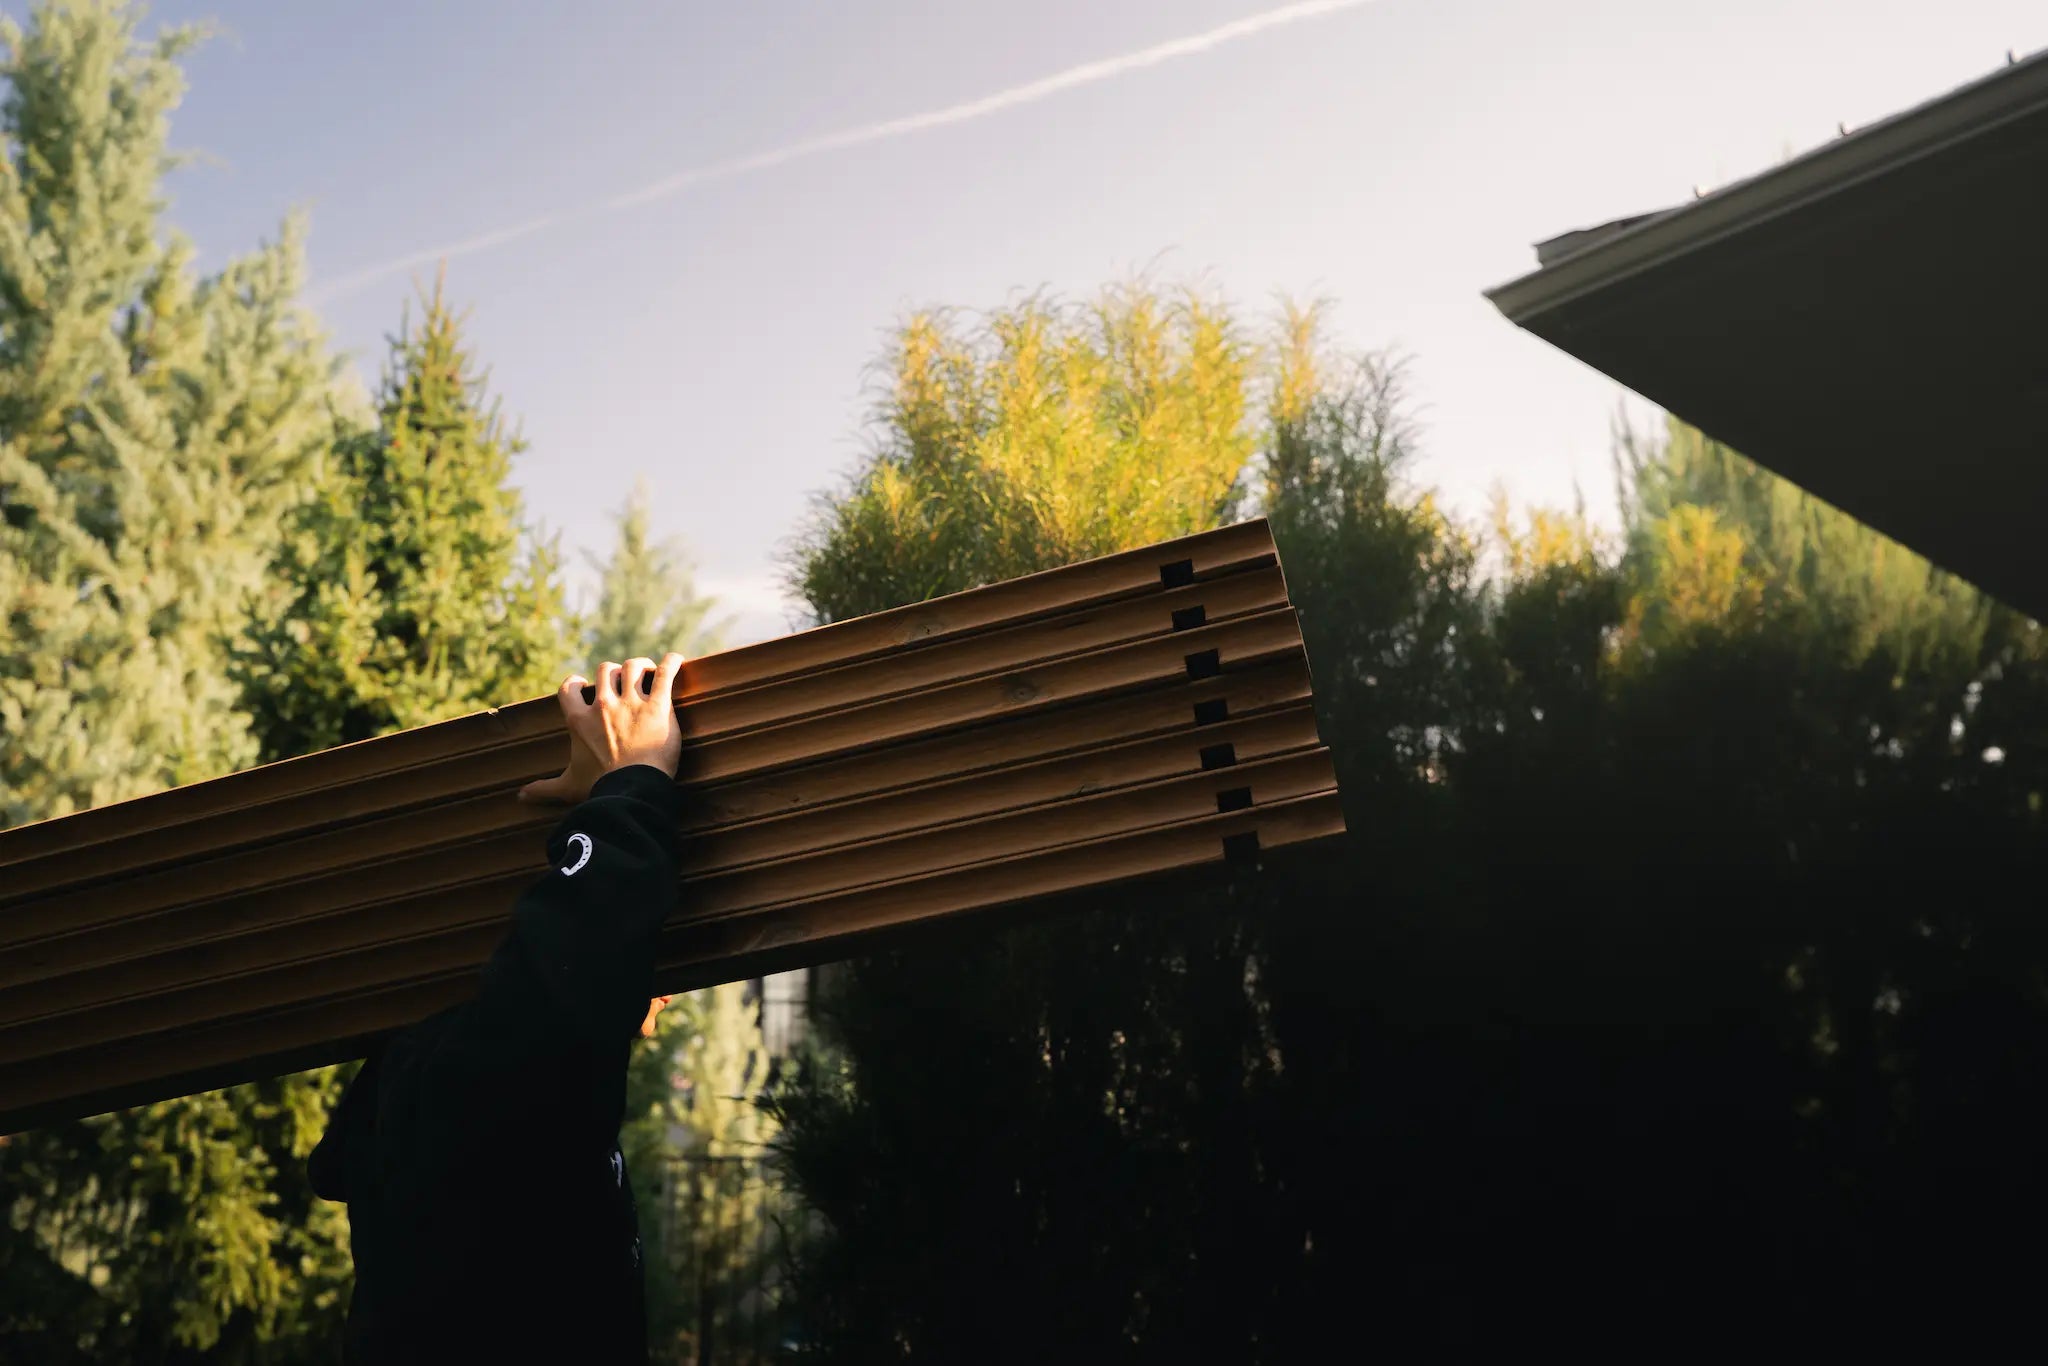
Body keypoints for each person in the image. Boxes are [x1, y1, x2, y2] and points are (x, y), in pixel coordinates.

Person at [308, 652, 690, 1364]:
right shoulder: (475, 1098)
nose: (673, 987)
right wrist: (630, 788)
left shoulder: (430, 1090)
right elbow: (561, 990)